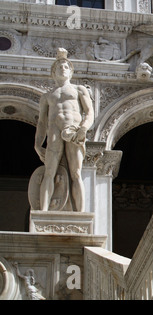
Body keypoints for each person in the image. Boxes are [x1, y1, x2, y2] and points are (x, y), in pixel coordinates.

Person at [34, 48, 94, 212]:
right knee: (49, 172)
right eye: (59, 67)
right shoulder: (47, 96)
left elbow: (89, 113)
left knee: (76, 173)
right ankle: (44, 212)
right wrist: (37, 144)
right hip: (54, 131)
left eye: (66, 67)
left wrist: (83, 129)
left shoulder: (79, 89)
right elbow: (41, 122)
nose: (63, 68)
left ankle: (81, 214)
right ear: (53, 73)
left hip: (73, 130)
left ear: (71, 72)